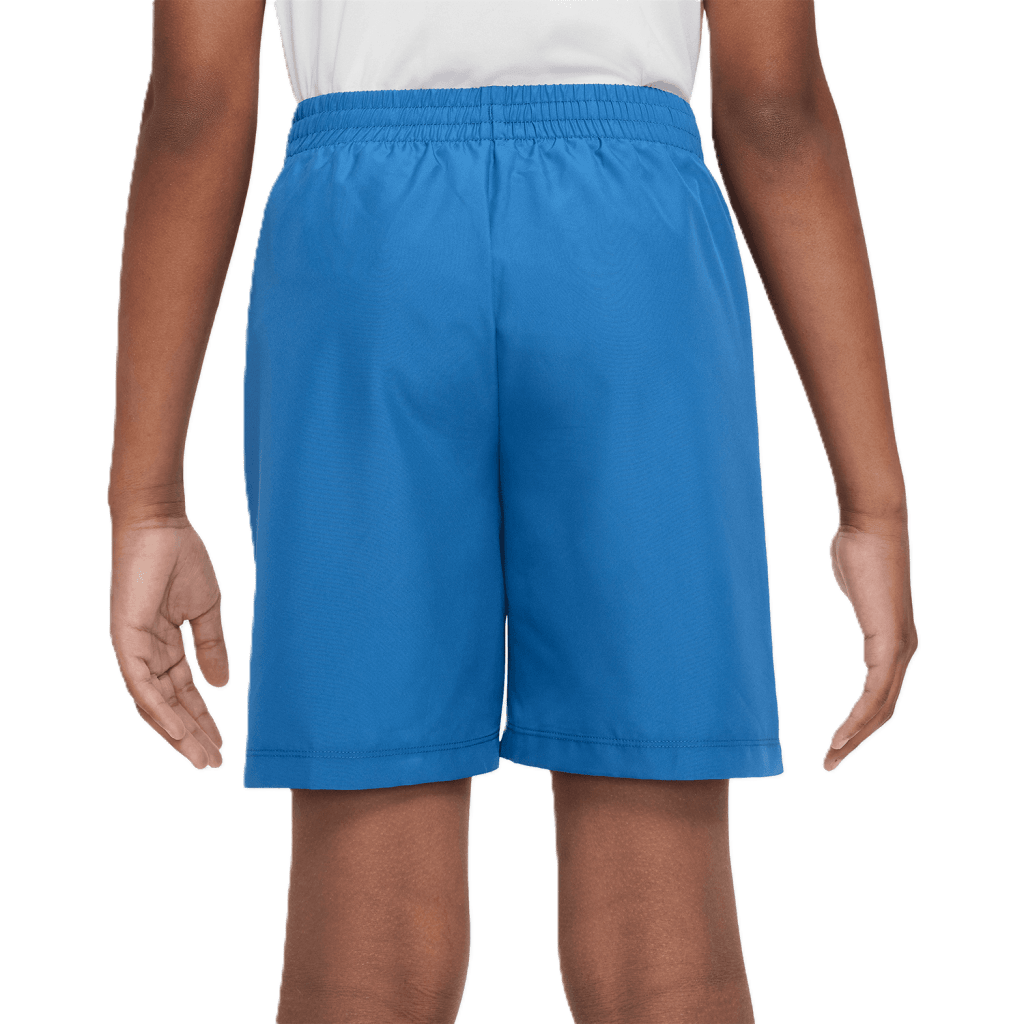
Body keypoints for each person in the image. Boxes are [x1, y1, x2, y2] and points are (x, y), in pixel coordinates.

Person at [107, 1, 919, 1021]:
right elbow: (774, 107)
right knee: (664, 947)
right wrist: (872, 505)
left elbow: (195, 105)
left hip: (364, 255)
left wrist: (147, 501)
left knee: (362, 951)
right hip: (629, 251)